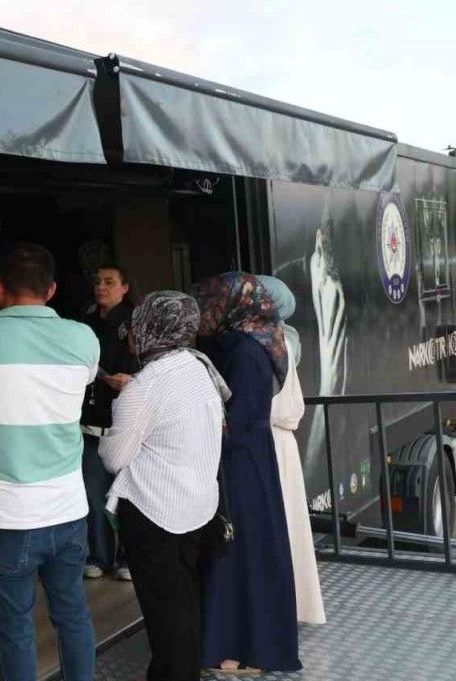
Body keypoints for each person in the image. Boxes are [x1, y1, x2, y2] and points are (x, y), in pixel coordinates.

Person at [0, 242, 99, 681]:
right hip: (69, 510)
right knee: (73, 614)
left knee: (14, 630)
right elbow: (77, 386)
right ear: (51, 289)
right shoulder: (83, 338)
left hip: (6, 516)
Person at [99, 291, 226, 681]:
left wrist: (106, 437)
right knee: (186, 607)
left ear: (149, 329)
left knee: (166, 619)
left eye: (135, 325)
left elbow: (114, 458)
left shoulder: (143, 387)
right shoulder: (199, 367)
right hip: (199, 507)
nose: (130, 334)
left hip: (155, 516)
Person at [196, 272, 301, 674]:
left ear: (233, 305)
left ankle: (244, 649)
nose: (207, 309)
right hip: (250, 462)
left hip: (240, 467)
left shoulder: (243, 350)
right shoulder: (254, 342)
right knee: (247, 553)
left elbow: (238, 419)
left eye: (213, 301)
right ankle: (246, 645)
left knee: (240, 553)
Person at [258, 274, 326, 626]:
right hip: (279, 442)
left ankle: (278, 608)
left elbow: (272, 406)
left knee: (277, 527)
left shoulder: (272, 343)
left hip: (272, 441)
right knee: (288, 528)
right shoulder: (285, 338)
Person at [78, 265, 138, 580]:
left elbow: (149, 365)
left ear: (125, 287)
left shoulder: (135, 321)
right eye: (97, 282)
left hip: (125, 424)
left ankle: (127, 557)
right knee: (93, 493)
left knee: (126, 494)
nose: (101, 287)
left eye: (110, 282)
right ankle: (99, 556)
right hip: (90, 422)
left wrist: (133, 379)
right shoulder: (85, 321)